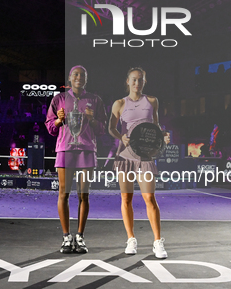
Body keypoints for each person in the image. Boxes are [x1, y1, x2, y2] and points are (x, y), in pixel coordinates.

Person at [45, 65, 106, 254]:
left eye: (83, 75)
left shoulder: (95, 100)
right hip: (65, 149)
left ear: (86, 79)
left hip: (87, 150)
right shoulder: (59, 99)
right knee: (63, 193)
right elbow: (50, 127)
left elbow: (102, 129)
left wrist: (93, 119)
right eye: (76, 74)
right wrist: (58, 119)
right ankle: (66, 237)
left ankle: (79, 236)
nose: (79, 77)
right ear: (70, 78)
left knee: (83, 195)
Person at [108, 67, 168, 259]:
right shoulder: (119, 104)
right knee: (126, 198)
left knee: (149, 198)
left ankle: (158, 242)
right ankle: (131, 239)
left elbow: (156, 127)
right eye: (134, 80)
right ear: (127, 81)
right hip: (125, 156)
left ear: (144, 82)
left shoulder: (152, 101)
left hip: (145, 157)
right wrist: (121, 137)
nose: (137, 83)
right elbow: (111, 127)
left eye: (140, 80)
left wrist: (163, 138)